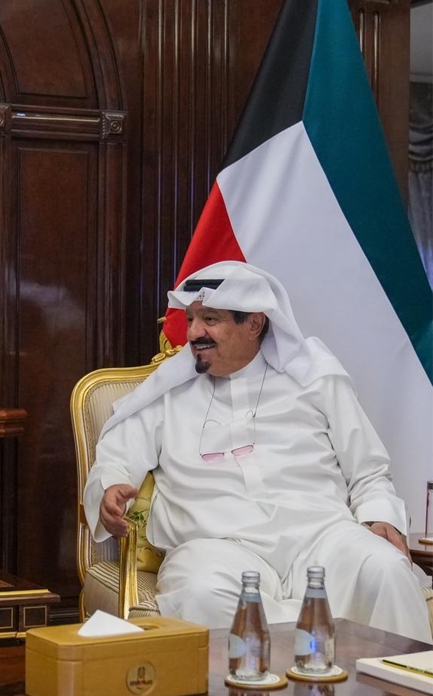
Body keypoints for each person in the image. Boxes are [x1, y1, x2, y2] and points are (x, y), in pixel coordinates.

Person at [84, 261, 432, 643]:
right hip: (217, 548)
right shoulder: (165, 392)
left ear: (254, 323)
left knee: (385, 570)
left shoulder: (314, 376)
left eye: (210, 319)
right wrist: (110, 488)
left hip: (321, 539)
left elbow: (368, 469)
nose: (194, 332)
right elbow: (116, 459)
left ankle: (385, 685)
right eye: (191, 319)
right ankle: (289, 669)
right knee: (200, 591)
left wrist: (379, 515)